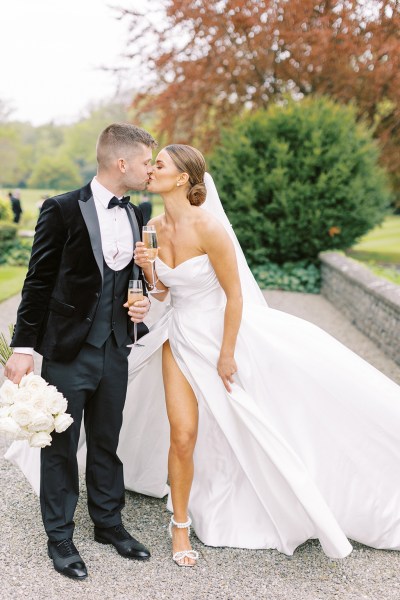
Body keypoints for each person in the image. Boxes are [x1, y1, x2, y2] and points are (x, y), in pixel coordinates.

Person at [6, 145, 400, 568]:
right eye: (149, 161)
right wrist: (149, 271)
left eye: (159, 164)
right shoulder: (149, 223)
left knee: (251, 421)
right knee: (183, 434)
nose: (151, 168)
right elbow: (158, 291)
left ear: (181, 179)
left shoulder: (210, 229)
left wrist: (227, 353)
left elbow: (235, 296)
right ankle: (174, 526)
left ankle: (140, 518)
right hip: (178, 336)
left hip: (221, 337)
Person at [4, 123, 156, 581]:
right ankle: (61, 537)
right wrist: (24, 347)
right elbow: (38, 280)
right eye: (147, 162)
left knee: (108, 441)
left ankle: (109, 525)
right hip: (70, 350)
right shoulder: (62, 208)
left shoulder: (137, 212)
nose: (151, 170)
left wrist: (142, 298)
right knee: (61, 446)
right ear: (121, 163)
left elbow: (130, 275)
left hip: (116, 346)